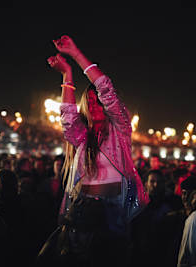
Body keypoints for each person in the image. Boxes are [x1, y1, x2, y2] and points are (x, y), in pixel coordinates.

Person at [46, 35, 149, 267]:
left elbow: (107, 89)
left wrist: (76, 54)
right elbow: (69, 119)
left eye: (98, 100)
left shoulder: (120, 131)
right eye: (89, 101)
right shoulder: (83, 139)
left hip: (113, 214)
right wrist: (67, 75)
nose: (94, 104)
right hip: (82, 211)